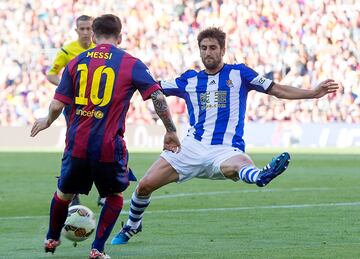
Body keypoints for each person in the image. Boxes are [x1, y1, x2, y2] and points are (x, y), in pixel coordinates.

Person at [111, 27, 340, 245]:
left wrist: (312, 93)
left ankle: (261, 176)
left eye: (212, 47)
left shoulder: (240, 74)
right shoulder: (188, 80)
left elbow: (277, 89)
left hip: (225, 149)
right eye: (203, 48)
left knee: (242, 165)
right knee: (144, 186)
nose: (208, 52)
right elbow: (152, 88)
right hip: (190, 147)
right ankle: (132, 225)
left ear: (223, 50)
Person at [31, 14, 180, 259]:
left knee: (63, 194)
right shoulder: (131, 63)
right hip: (108, 145)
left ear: (92, 36)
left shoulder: (77, 60)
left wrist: (47, 121)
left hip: (76, 143)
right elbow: (158, 97)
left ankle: (51, 238)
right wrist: (171, 131)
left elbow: (57, 104)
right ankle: (97, 249)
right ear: (120, 37)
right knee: (114, 196)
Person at [47, 14, 95, 206]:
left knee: (102, 142)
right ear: (76, 31)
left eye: (88, 28)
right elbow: (51, 74)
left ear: (94, 30)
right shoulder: (67, 51)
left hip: (97, 105)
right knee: (75, 145)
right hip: (74, 108)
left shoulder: (99, 51)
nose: (85, 32)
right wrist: (66, 85)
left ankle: (106, 189)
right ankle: (70, 189)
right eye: (82, 29)